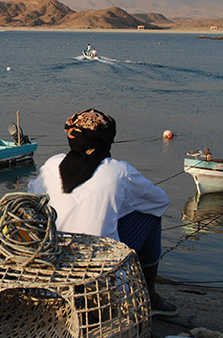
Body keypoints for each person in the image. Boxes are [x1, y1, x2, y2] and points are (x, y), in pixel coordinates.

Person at [27, 108, 177, 316]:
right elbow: (160, 202)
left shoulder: (52, 165)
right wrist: (119, 208)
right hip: (101, 277)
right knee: (150, 217)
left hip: (53, 262)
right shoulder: (120, 172)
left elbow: (31, 196)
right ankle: (150, 297)